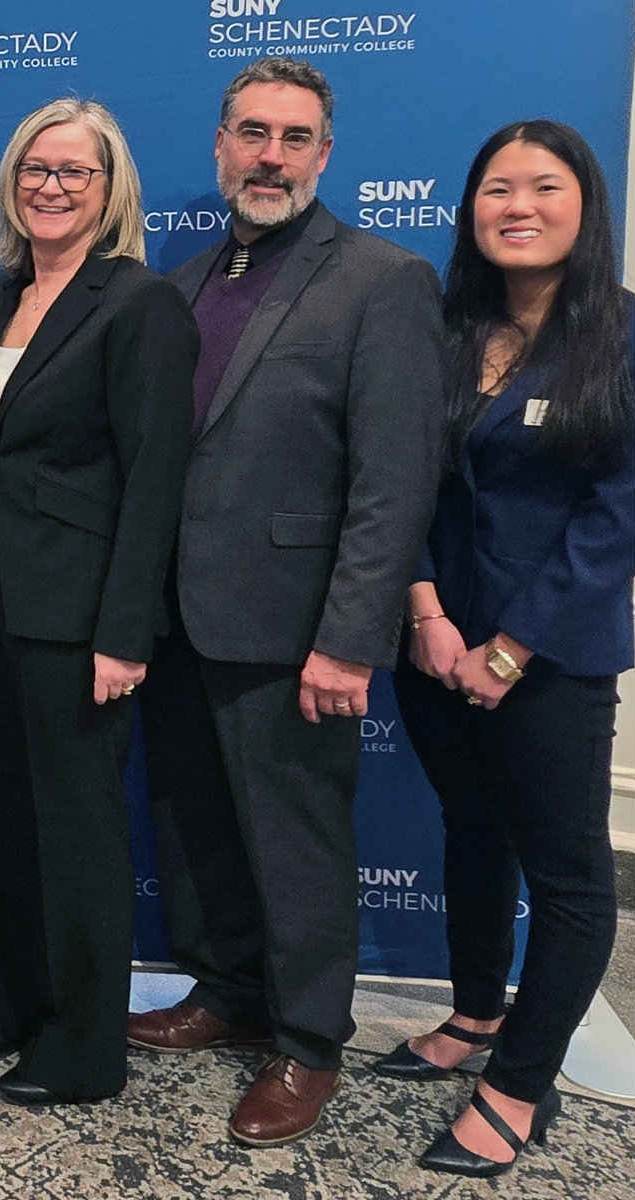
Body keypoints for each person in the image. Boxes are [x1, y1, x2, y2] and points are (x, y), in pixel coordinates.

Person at [125, 57, 447, 1146]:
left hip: (300, 629)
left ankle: (309, 1044)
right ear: (219, 146)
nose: (271, 155)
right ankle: (227, 996)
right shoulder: (189, 279)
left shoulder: (382, 278)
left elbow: (395, 482)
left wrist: (351, 641)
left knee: (298, 843)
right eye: (253, 133)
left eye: (295, 137)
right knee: (201, 827)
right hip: (181, 619)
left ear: (325, 153)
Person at [377, 120, 635, 1178]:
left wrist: (512, 648)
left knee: (568, 874)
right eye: (496, 189)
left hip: (552, 661)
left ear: (585, 206)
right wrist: (431, 618)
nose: (516, 207)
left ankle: (520, 1083)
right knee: (470, 831)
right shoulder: (445, 332)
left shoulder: (621, 335)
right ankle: (476, 1013)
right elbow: (405, 484)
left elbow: (619, 515)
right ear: (470, 209)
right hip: (435, 647)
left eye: (543, 187)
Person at [0, 100, 196, 1107]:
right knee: (19, 814)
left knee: (81, 831)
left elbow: (154, 479)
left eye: (74, 172)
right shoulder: (1, 299)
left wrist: (125, 631)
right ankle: (19, 996)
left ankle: (86, 1046)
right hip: (12, 604)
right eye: (35, 168)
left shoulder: (138, 304)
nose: (51, 185)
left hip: (87, 616)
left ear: (109, 190)